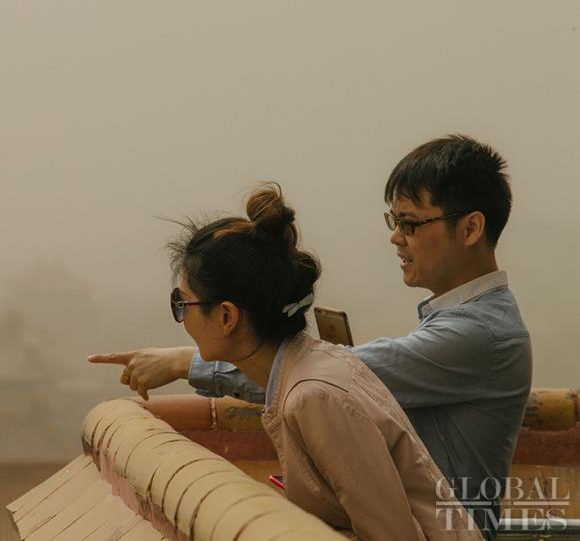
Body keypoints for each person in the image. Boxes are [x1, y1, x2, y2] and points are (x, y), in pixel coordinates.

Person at [89, 136, 532, 540]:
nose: (396, 238)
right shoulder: (458, 323)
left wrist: (185, 362)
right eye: (393, 221)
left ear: (471, 229)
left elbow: (335, 380)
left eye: (411, 224)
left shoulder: (482, 335)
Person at [150, 183, 482, 539]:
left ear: (227, 317)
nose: (181, 317)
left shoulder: (314, 396)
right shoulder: (309, 368)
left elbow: (392, 534)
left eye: (182, 304)